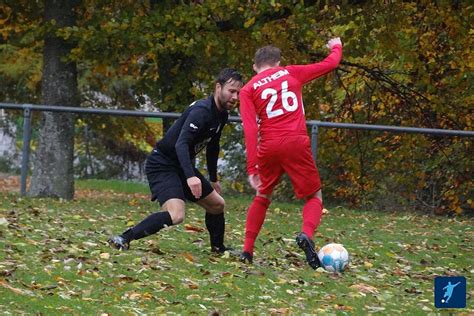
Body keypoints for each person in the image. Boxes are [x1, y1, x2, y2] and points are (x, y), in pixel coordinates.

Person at [108, 68, 243, 253]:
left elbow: (213, 146)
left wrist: (213, 178)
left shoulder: (222, 114)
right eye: (231, 91)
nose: (235, 97)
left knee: (217, 204)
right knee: (176, 214)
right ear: (218, 87)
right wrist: (190, 176)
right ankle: (124, 238)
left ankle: (218, 249)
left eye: (238, 93)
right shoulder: (201, 111)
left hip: (181, 164)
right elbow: (181, 144)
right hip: (162, 164)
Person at [238, 38, 343, 268]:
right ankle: (306, 234)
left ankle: (247, 250)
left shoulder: (247, 89)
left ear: (255, 67)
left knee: (262, 196)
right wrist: (336, 46)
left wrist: (252, 167)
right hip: (296, 142)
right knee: (314, 196)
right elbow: (330, 63)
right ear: (277, 63)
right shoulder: (291, 72)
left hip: (269, 146)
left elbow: (249, 128)